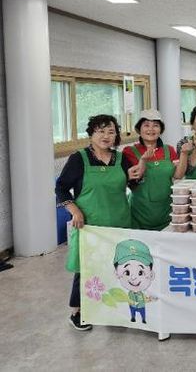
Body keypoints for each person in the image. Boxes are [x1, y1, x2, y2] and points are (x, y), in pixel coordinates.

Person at [55, 114, 141, 331]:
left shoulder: (121, 159)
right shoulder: (79, 159)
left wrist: (138, 176)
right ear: (91, 134)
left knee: (119, 267)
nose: (106, 136)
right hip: (90, 226)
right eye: (100, 131)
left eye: (111, 132)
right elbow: (61, 187)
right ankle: (77, 311)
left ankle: (114, 305)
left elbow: (133, 184)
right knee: (86, 268)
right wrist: (74, 210)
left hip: (120, 223)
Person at [122, 110, 189, 231]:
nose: (151, 129)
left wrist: (184, 154)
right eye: (146, 125)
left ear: (161, 130)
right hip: (140, 214)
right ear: (139, 129)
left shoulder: (169, 150)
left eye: (156, 125)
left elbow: (178, 175)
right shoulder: (129, 151)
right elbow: (134, 178)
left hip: (167, 211)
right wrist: (143, 160)